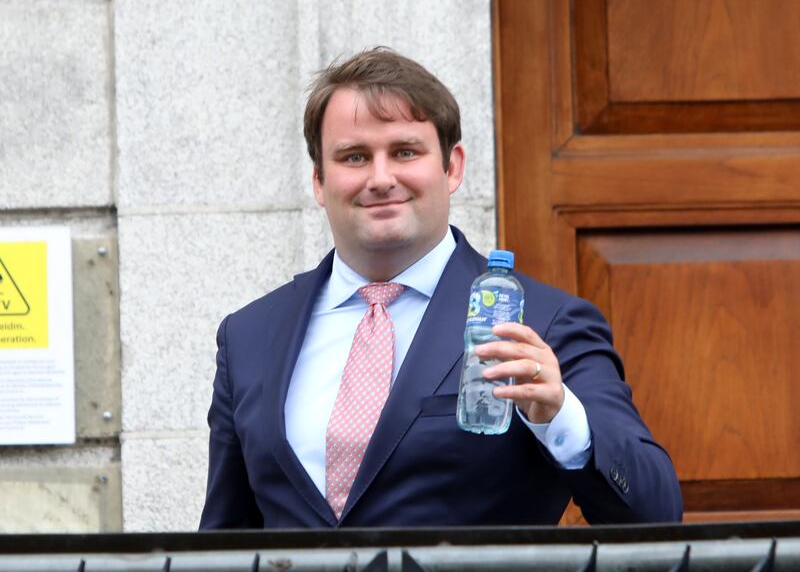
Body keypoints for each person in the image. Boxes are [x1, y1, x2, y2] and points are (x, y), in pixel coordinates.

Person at [199, 48, 682, 528]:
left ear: (452, 168)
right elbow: (224, 540)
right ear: (320, 181)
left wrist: (561, 417)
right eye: (354, 156)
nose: (381, 178)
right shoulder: (249, 336)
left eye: (405, 152)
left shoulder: (545, 323)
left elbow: (655, 514)